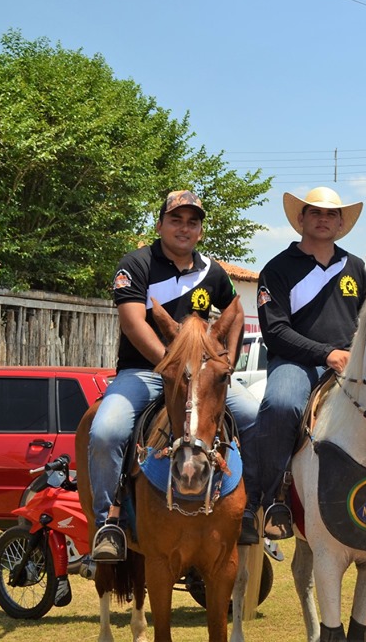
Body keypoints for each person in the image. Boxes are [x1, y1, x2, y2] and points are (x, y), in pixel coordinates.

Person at [89, 190, 259, 561]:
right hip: (144, 372)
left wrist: (226, 360)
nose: (184, 228)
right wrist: (173, 364)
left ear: (200, 230)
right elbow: (134, 323)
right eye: (176, 220)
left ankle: (252, 510)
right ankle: (108, 524)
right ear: (160, 224)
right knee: (105, 431)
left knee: (254, 417)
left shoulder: (212, 271)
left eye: (192, 222)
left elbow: (235, 309)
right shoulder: (135, 264)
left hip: (201, 377)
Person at [237, 187, 366, 544]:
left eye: (331, 214)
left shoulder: (357, 268)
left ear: (341, 222)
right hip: (295, 364)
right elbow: (276, 331)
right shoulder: (278, 269)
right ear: (301, 219)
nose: (323, 219)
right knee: (281, 405)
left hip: (350, 366)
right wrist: (327, 354)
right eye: (316, 213)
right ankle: (269, 500)